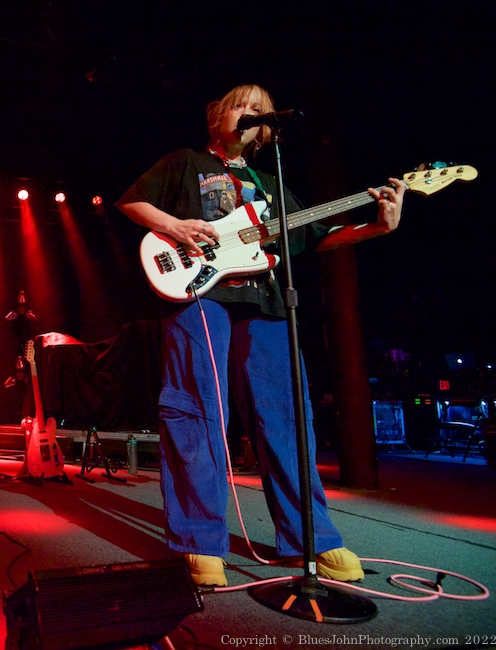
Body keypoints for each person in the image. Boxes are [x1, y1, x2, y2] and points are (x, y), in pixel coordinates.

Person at [116, 83, 405, 587]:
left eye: (261, 111)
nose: (250, 115)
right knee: (198, 410)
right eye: (242, 107)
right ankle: (199, 541)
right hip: (201, 295)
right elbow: (133, 203)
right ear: (218, 116)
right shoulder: (186, 162)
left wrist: (376, 228)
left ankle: (308, 540)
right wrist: (177, 226)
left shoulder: (271, 183)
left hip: (268, 300)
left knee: (288, 416)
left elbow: (315, 237)